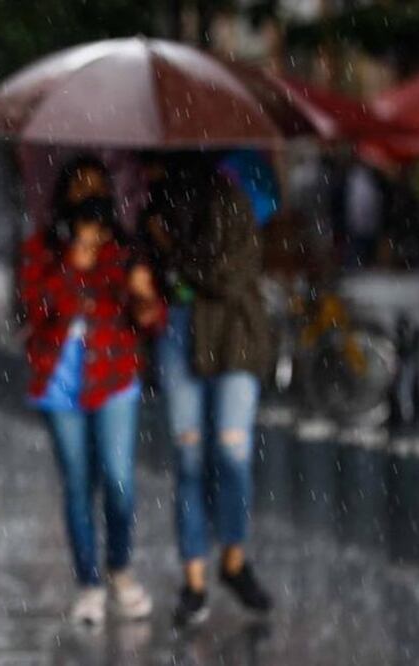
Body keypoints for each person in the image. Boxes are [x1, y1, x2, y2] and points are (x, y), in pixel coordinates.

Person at [20, 190, 164, 626]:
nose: (90, 237)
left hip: (114, 379)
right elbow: (34, 308)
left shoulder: (124, 257)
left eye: (97, 230)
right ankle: (89, 583)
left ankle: (119, 567)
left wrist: (143, 296)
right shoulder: (46, 253)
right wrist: (69, 268)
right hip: (59, 385)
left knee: (119, 481)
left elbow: (152, 320)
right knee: (78, 485)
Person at [148, 155, 273, 626]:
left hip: (234, 338)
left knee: (232, 450)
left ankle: (234, 559)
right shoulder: (154, 207)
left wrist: (175, 255)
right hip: (180, 335)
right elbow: (147, 275)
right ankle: (195, 580)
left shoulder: (230, 200)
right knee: (189, 458)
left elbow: (229, 275)